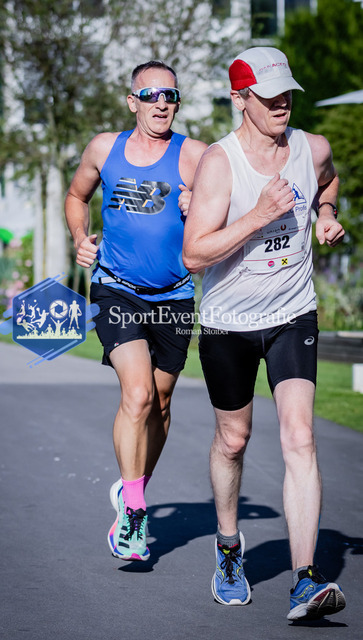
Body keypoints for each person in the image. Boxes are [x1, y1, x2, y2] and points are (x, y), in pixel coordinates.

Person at [182, 47, 346, 620]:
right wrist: (258, 214)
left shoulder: (311, 148)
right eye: (268, 96)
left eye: (287, 95)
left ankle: (305, 579)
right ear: (240, 99)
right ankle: (229, 549)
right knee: (234, 439)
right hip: (228, 322)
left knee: (299, 437)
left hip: (293, 313)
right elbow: (193, 254)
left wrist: (326, 214)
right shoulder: (220, 164)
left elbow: (328, 181)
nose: (281, 105)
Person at [65, 61, 207, 562]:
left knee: (162, 403)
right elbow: (76, 196)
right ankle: (134, 513)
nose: (161, 103)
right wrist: (80, 238)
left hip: (174, 294)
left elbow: (228, 208)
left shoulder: (195, 155)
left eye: (170, 95)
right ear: (133, 102)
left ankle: (132, 487)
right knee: (139, 393)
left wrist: (200, 205)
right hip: (117, 289)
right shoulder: (104, 148)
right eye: (150, 95)